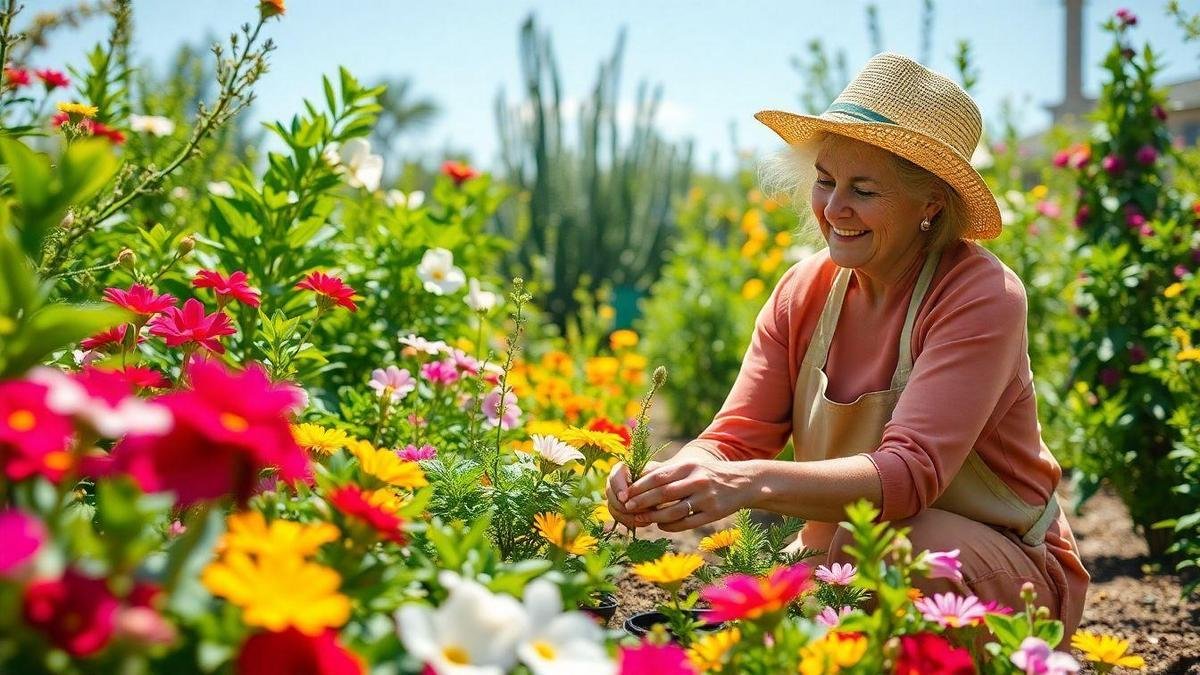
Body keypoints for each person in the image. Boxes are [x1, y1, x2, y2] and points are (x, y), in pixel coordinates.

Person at [606, 52, 1088, 635]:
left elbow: (908, 477)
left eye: (864, 189)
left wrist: (745, 483)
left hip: (999, 575)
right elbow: (733, 439)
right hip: (844, 556)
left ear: (931, 203)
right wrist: (670, 477)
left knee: (893, 550)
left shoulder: (980, 295)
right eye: (826, 181)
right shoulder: (803, 292)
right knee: (753, 610)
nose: (835, 209)